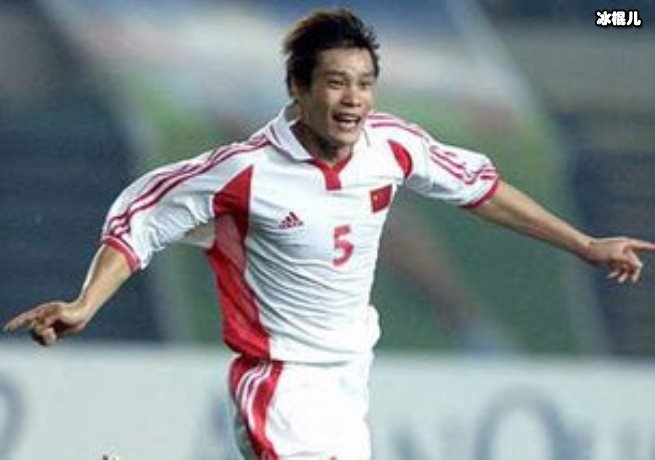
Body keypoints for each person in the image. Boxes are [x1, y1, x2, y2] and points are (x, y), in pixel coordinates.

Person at [4, 8, 655, 459]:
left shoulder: (391, 145)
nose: (354, 100)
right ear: (297, 88)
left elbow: (481, 189)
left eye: (365, 84)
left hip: (349, 381)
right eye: (337, 83)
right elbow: (143, 211)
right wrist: (86, 302)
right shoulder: (246, 171)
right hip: (280, 380)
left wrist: (585, 244)